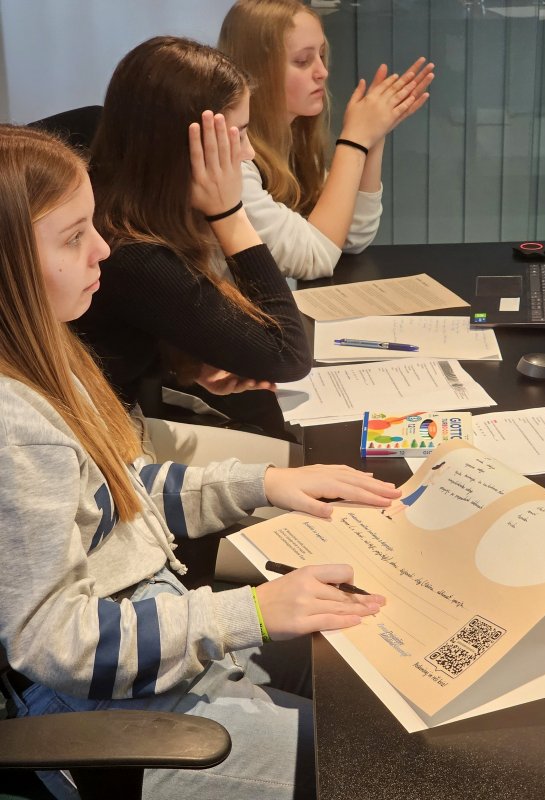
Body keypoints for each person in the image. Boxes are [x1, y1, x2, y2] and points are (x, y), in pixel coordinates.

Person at [0, 124, 403, 799]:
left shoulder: (47, 356)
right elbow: (56, 642)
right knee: (381, 760)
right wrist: (253, 613)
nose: (103, 249)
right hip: (111, 719)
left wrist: (263, 483)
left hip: (154, 641)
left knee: (368, 666)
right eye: (73, 238)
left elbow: (118, 494)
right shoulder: (14, 428)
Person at [74, 36, 311, 434]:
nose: (249, 153)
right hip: (109, 447)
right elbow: (287, 355)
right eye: (238, 134)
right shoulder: (130, 252)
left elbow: (118, 340)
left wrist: (183, 362)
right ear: (187, 148)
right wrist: (230, 214)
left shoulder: (120, 208)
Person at [218, 0, 435, 280]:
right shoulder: (234, 162)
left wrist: (374, 135)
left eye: (321, 55)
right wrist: (355, 141)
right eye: (302, 61)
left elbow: (352, 236)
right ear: (257, 70)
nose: (322, 71)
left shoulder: (293, 142)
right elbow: (314, 256)